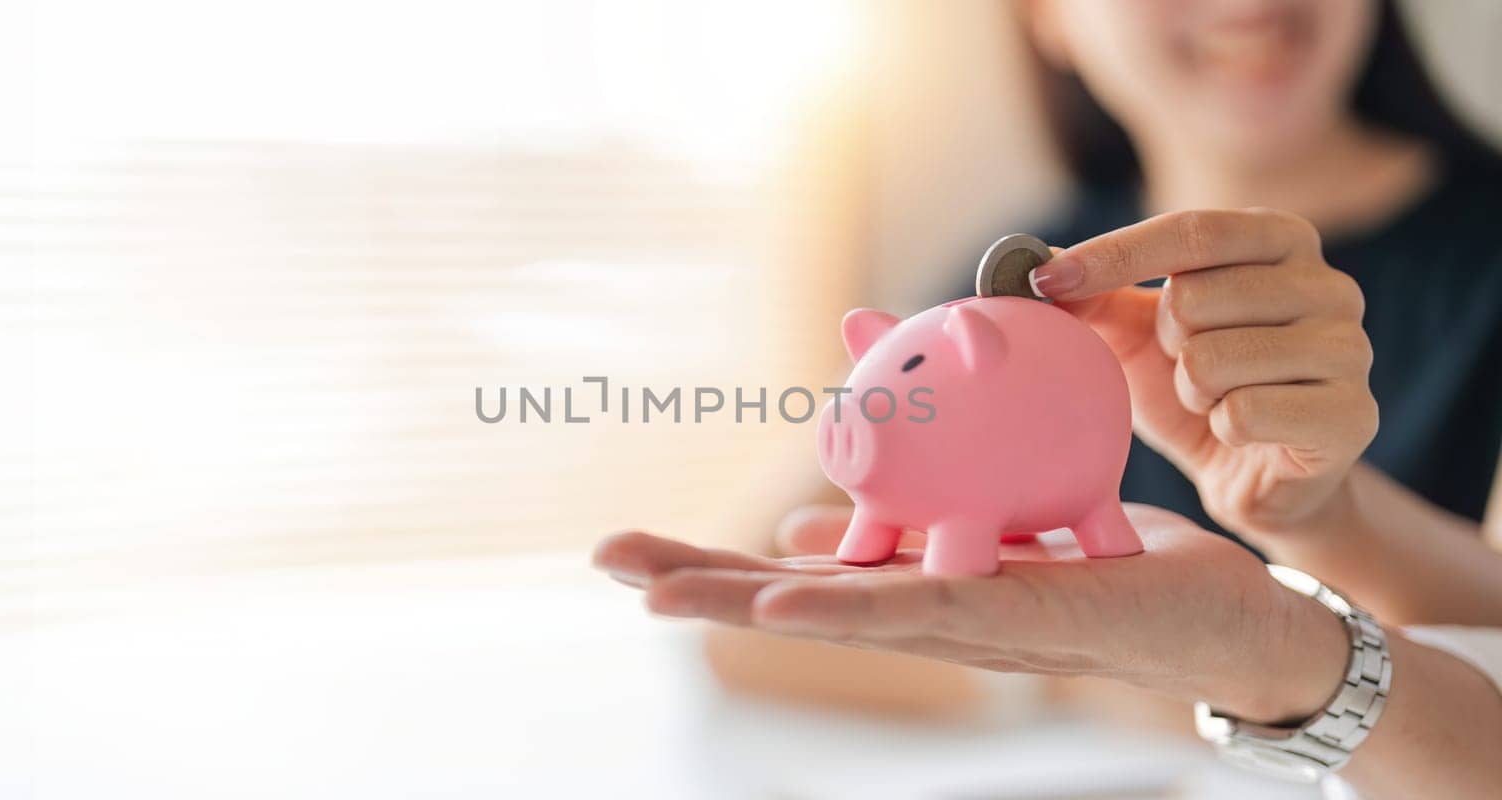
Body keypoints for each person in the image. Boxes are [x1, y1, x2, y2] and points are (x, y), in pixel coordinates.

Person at [594, 1, 1502, 795]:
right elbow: (754, 605)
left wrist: (1320, 523)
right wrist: (1095, 679)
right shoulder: (1021, 275)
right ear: (1049, 13)